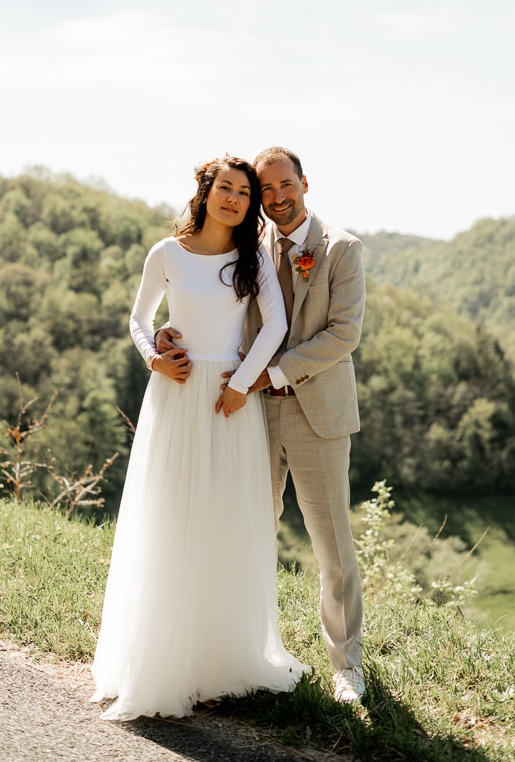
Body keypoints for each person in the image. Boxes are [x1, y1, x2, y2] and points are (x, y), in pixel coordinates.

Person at [91, 155, 307, 721]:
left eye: (243, 192)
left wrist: (241, 384)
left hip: (229, 401)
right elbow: (140, 318)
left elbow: (278, 325)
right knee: (172, 517)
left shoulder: (251, 257)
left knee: (222, 522)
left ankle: (216, 665)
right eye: (226, 188)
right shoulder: (166, 254)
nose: (235, 198)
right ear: (206, 193)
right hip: (176, 394)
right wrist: (153, 359)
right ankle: (166, 661)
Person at [157, 148, 366, 704]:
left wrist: (268, 374)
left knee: (332, 547)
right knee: (247, 531)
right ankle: (237, 652)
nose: (274, 197)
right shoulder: (249, 247)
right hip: (250, 413)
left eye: (283, 185)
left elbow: (343, 335)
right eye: (264, 190)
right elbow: (204, 302)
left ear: (304, 183)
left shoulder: (342, 248)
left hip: (316, 414)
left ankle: (347, 666)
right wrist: (164, 336)